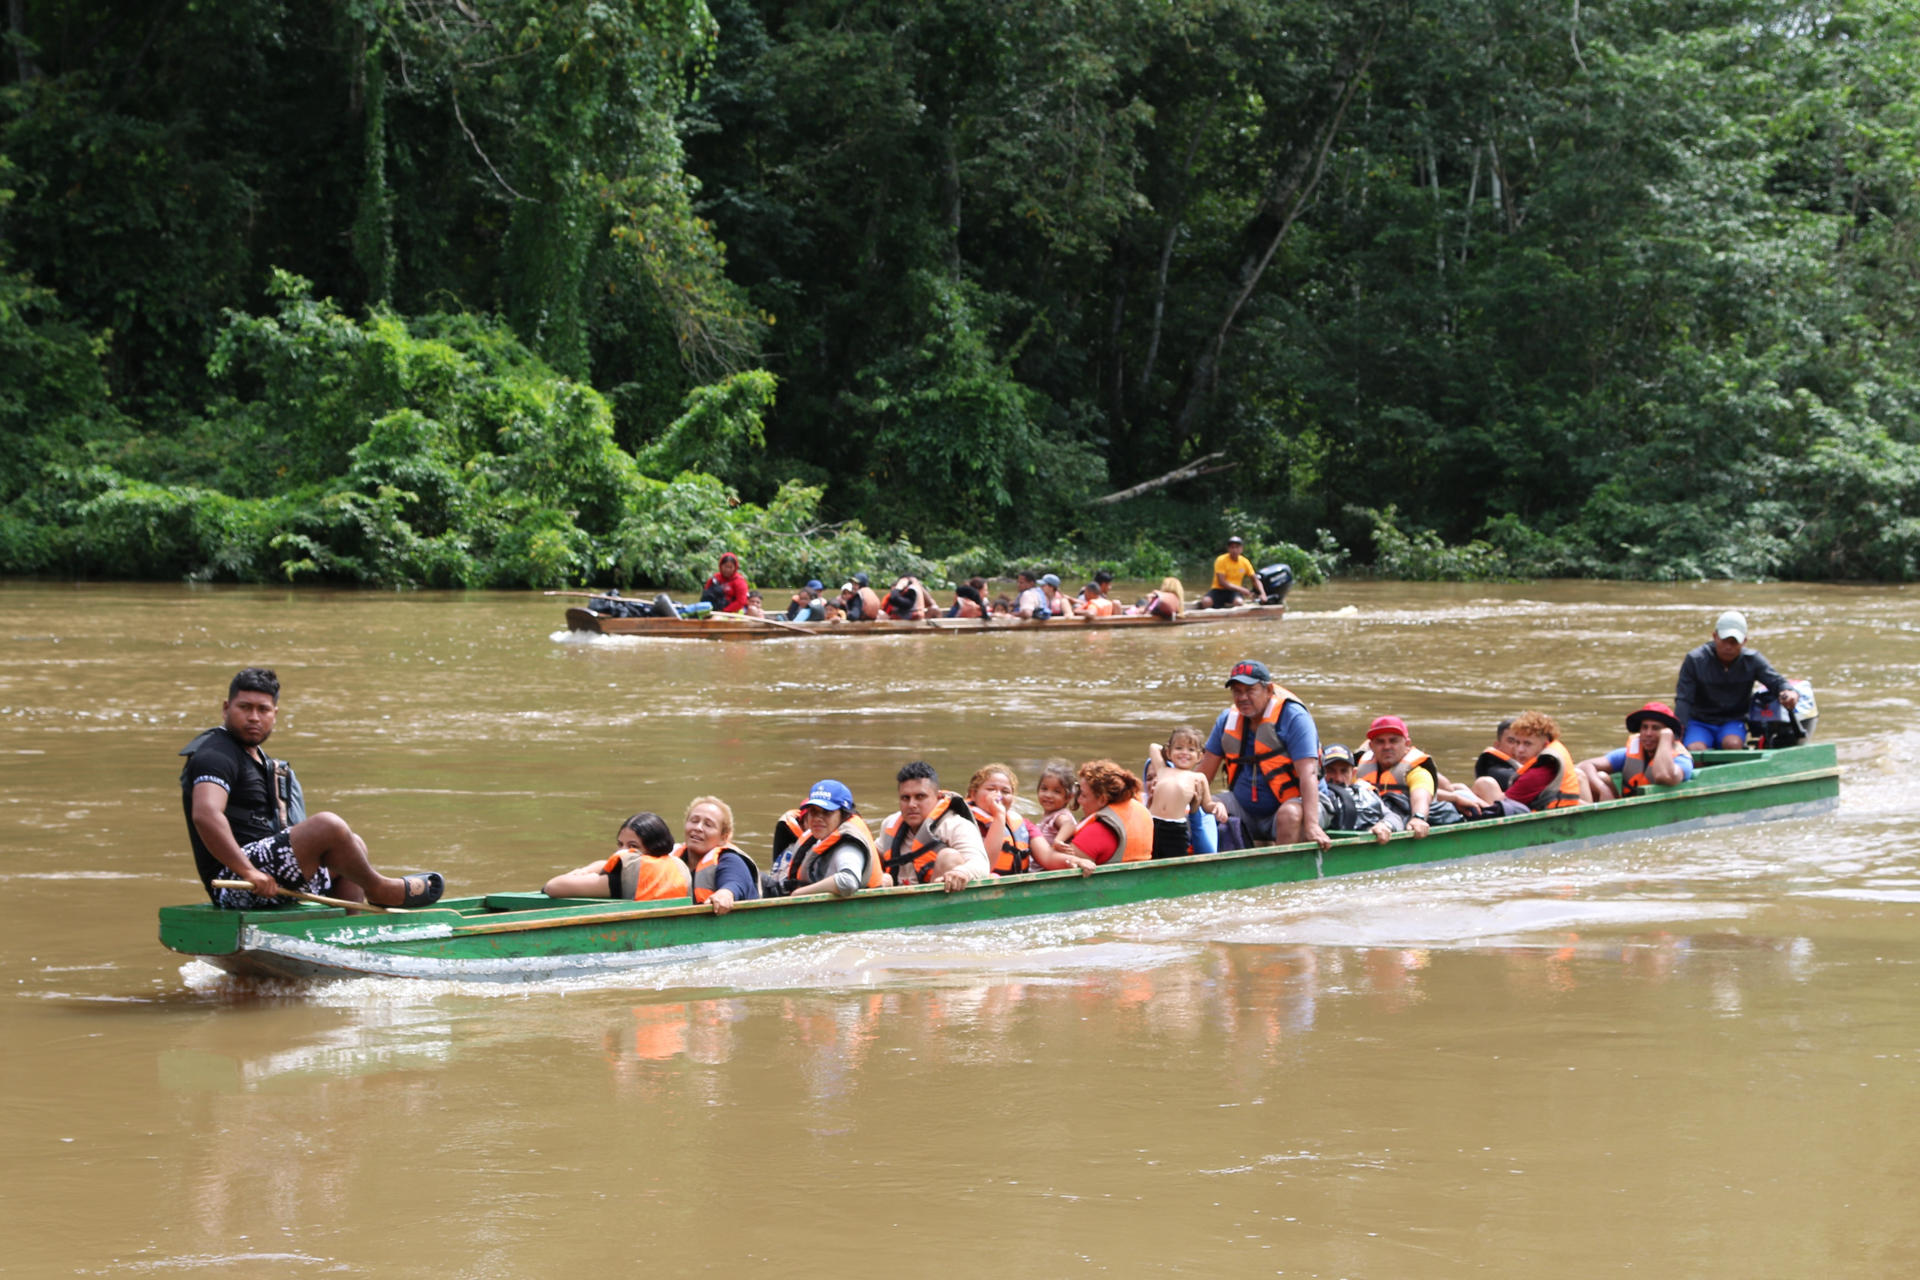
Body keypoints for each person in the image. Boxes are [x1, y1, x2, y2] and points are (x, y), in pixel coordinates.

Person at [179, 667, 445, 910]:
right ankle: (381, 890)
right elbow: (206, 814)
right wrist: (248, 871)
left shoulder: (258, 758)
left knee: (353, 846)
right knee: (328, 825)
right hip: (234, 883)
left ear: (275, 714)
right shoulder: (215, 755)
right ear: (226, 709)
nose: (253, 717)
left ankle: (349, 935)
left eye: (263, 710)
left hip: (272, 875)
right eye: (244, 708)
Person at [1196, 659, 1332, 851]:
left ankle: (1283, 874)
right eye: (1237, 691)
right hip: (1246, 809)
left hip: (1300, 805)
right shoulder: (1227, 720)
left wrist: (1312, 825)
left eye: (1250, 690)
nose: (1242, 697)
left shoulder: (1294, 717)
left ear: (1268, 690)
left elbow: (1308, 774)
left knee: (1290, 815)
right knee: (1203, 809)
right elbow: (1201, 776)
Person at [1675, 610, 1797, 750]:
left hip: (1732, 721)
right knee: (1695, 749)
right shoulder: (1695, 660)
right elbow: (1683, 700)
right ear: (1715, 637)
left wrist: (1788, 692)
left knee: (1732, 744)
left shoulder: (1753, 660)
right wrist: (1678, 733)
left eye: (1734, 642)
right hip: (1699, 721)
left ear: (1744, 641)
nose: (1728, 647)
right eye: (1724, 640)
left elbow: (1776, 681)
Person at [1354, 715, 1473, 839]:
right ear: (1371, 746)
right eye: (1380, 741)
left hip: (1405, 817)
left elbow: (1421, 795)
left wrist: (1418, 817)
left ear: (1406, 744)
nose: (1387, 747)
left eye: (1393, 741)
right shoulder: (1357, 769)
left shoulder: (1417, 772)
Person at [878, 762, 991, 891]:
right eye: (905, 798)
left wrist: (961, 872)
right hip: (896, 897)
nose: (911, 804)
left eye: (920, 797)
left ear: (937, 797)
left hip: (938, 897)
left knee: (949, 857)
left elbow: (980, 864)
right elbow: (874, 854)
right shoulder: (889, 823)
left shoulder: (956, 826)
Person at [967, 764, 1094, 875]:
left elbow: (1047, 857)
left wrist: (1077, 861)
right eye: (991, 789)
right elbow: (985, 866)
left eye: (1005, 791)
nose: (998, 796)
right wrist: (999, 817)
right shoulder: (964, 821)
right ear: (973, 794)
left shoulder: (1024, 825)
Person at [770, 780, 881, 899]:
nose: (818, 818)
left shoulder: (848, 846)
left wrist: (799, 894)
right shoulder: (817, 838)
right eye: (813, 811)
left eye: (827, 812)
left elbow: (848, 882)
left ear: (843, 815)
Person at [543, 812, 690, 901]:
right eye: (620, 844)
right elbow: (605, 863)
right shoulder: (678, 866)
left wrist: (578, 874)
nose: (622, 851)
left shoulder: (622, 878)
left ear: (652, 848)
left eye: (632, 846)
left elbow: (552, 887)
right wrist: (585, 871)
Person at [1467, 710, 1583, 814]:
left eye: (1527, 744)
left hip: (1545, 820)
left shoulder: (1540, 772)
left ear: (1545, 744)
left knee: (1484, 784)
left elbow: (1506, 802)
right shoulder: (1554, 752)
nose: (1519, 750)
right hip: (1556, 811)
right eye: (1517, 743)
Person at [1577, 701, 1695, 802]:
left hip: (1655, 809)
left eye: (1655, 728)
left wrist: (1666, 738)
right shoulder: (1627, 753)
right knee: (1600, 777)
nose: (1648, 734)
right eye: (1644, 727)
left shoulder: (1681, 760)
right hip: (1625, 808)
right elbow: (1584, 765)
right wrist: (1603, 789)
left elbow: (1663, 776)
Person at [1145, 727, 1225, 858]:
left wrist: (1218, 806)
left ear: (1200, 756)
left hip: (1175, 829)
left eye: (1191, 750)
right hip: (1152, 824)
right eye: (1179, 748)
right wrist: (1169, 753)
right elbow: (1153, 747)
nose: (1184, 753)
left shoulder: (1198, 778)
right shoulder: (1162, 769)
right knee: (1149, 860)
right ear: (1169, 752)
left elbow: (1207, 805)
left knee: (1175, 863)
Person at [676, 796, 761, 913]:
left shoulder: (730, 860)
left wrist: (725, 894)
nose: (698, 828)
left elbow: (735, 882)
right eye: (694, 821)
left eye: (708, 824)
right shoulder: (672, 858)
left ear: (723, 837)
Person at [1064, 760, 1156, 864]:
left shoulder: (1095, 833)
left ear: (1102, 799)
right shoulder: (1140, 808)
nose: (1079, 800)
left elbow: (1057, 868)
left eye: (1084, 795)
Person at [1318, 744, 1390, 835]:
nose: (1338, 778)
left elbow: (1393, 817)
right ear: (1319, 772)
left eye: (1344, 771)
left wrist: (1384, 825)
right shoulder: (1309, 796)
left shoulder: (1365, 795)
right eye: (1330, 770)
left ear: (1353, 774)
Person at [1193, 535, 1267, 610]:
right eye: (1232, 547)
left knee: (1239, 603)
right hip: (1219, 590)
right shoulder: (1221, 560)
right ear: (1228, 549)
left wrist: (1262, 593)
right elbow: (1222, 582)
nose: (1234, 550)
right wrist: (1242, 589)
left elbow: (1255, 579)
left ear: (1241, 549)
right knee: (1206, 602)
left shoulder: (1245, 562)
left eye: (1237, 547)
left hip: (1234, 592)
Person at [1032, 761, 1079, 847]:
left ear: (1068, 797)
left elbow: (1069, 824)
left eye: (1057, 792)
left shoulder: (1059, 816)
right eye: (1044, 789)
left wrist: (1058, 841)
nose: (1048, 795)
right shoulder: (1050, 815)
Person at [1474, 717, 1523, 791]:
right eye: (1511, 741)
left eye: (1526, 743)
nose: (1518, 747)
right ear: (1497, 746)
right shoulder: (1495, 773)